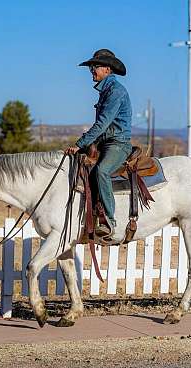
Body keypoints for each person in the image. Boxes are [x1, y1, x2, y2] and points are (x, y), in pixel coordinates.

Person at [66, 49, 132, 238]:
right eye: (91, 68)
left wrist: (80, 143)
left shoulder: (115, 92)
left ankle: (109, 221)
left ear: (107, 69)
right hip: (105, 143)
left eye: (95, 67)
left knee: (102, 171)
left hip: (118, 144)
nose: (92, 71)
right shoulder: (106, 90)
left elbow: (102, 123)